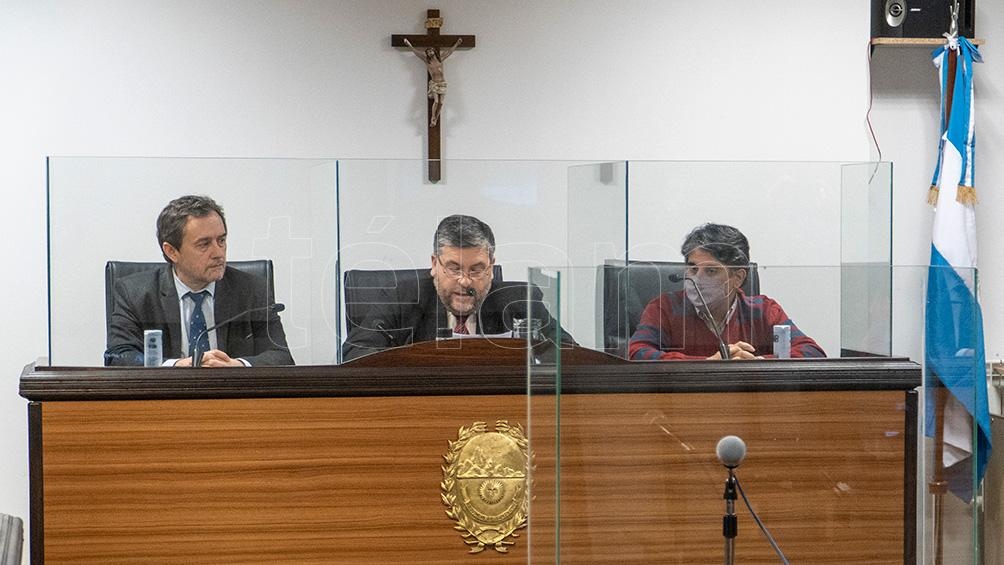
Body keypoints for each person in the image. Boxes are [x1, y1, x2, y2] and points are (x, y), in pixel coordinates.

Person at [341, 214, 573, 361]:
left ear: (491, 267)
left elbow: (570, 353)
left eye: (476, 269)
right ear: (434, 264)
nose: (464, 281)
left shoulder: (520, 301)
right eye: (454, 268)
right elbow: (356, 352)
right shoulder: (401, 297)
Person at [104, 195, 293, 367]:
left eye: (221, 240)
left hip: (233, 399)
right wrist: (176, 366)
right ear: (172, 251)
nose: (218, 253)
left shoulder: (252, 289)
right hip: (165, 400)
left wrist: (238, 366)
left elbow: (281, 356)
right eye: (204, 244)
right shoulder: (135, 293)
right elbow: (118, 357)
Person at [628, 223, 824, 360]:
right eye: (693, 268)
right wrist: (707, 364)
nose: (697, 278)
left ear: (737, 277)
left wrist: (760, 362)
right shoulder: (665, 307)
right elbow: (636, 353)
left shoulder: (764, 310)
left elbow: (812, 352)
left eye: (711, 271)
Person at [403, 38, 462, 127]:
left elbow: (449, 52)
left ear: (434, 51)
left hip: (442, 83)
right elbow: (417, 53)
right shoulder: (427, 61)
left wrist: (457, 44)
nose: (430, 53)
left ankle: (436, 118)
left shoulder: (440, 59)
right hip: (434, 83)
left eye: (431, 51)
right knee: (437, 101)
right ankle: (433, 117)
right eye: (428, 52)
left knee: (441, 102)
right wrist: (409, 45)